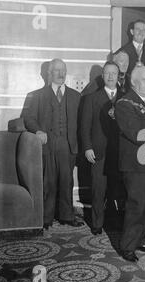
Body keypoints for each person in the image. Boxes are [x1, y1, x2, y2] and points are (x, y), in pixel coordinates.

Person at [22, 58, 84, 229]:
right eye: (57, 70)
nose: (61, 73)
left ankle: (66, 215)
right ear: (49, 73)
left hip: (68, 144)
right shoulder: (38, 95)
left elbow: (82, 122)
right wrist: (38, 131)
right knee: (47, 181)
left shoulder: (75, 96)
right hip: (47, 144)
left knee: (67, 180)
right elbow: (28, 118)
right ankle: (46, 218)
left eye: (63, 70)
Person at [114, 65, 145, 262]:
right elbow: (136, 133)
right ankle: (127, 246)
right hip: (134, 165)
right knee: (136, 205)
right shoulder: (124, 103)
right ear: (133, 82)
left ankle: (140, 239)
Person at [80, 61, 124, 235]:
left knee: (118, 189)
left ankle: (116, 223)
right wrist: (87, 147)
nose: (111, 76)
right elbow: (84, 126)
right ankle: (97, 223)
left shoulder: (126, 97)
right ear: (102, 76)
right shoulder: (92, 98)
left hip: (120, 152)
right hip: (99, 152)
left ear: (119, 75)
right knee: (99, 189)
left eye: (114, 73)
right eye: (107, 73)